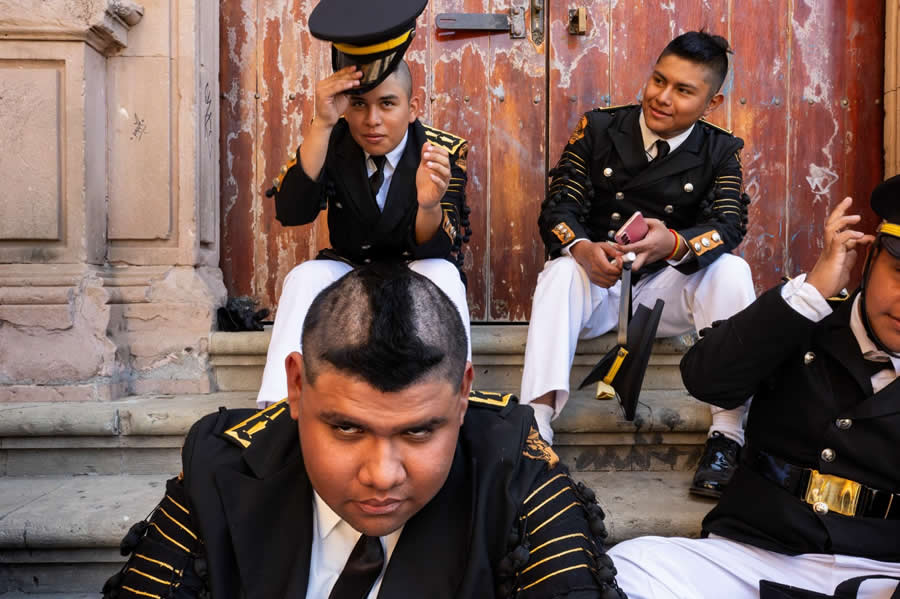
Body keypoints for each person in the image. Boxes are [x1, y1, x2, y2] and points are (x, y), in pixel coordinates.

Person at [101, 264, 627, 599]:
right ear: (296, 388)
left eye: (421, 432)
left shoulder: (514, 466)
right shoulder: (224, 463)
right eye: (347, 428)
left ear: (464, 395)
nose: (382, 476)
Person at [607, 183, 900, 598]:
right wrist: (812, 291)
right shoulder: (800, 317)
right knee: (627, 569)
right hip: (753, 557)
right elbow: (707, 380)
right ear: (869, 258)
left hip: (882, 571)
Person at [520, 30, 755, 497]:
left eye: (683, 91)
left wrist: (670, 243)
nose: (662, 98)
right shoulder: (601, 129)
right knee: (562, 269)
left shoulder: (719, 150)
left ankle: (727, 434)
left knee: (732, 270)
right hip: (599, 289)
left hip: (662, 298)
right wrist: (583, 249)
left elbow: (728, 224)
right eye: (658, 80)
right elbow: (558, 207)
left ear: (713, 101)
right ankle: (535, 427)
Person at [258, 0, 473, 409]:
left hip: (414, 268)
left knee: (444, 274)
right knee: (305, 276)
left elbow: (441, 248)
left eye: (387, 104)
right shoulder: (331, 143)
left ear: (412, 108)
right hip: (350, 268)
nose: (372, 119)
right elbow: (293, 212)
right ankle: (275, 413)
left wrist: (429, 205)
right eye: (359, 105)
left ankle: (451, 412)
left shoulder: (441, 151)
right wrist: (320, 124)